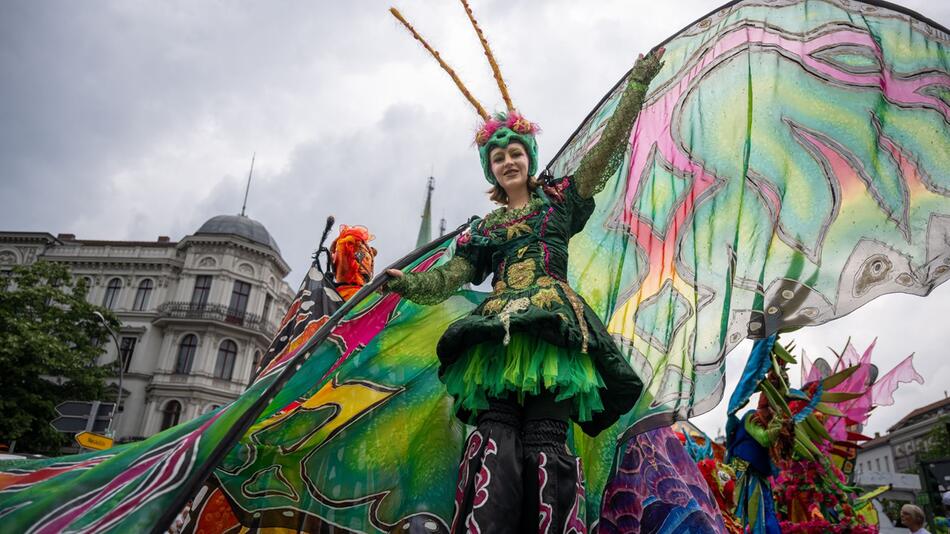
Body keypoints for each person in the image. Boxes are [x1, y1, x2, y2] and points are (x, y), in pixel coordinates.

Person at [386, 7, 663, 530]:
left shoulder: (559, 206)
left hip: (553, 333)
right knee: (495, 434)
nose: (508, 162)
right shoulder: (484, 229)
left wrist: (637, 85)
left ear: (529, 158)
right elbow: (452, 276)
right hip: (496, 338)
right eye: (498, 158)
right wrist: (411, 284)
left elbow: (605, 152)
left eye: (516, 153)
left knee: (544, 439)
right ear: (490, 169)